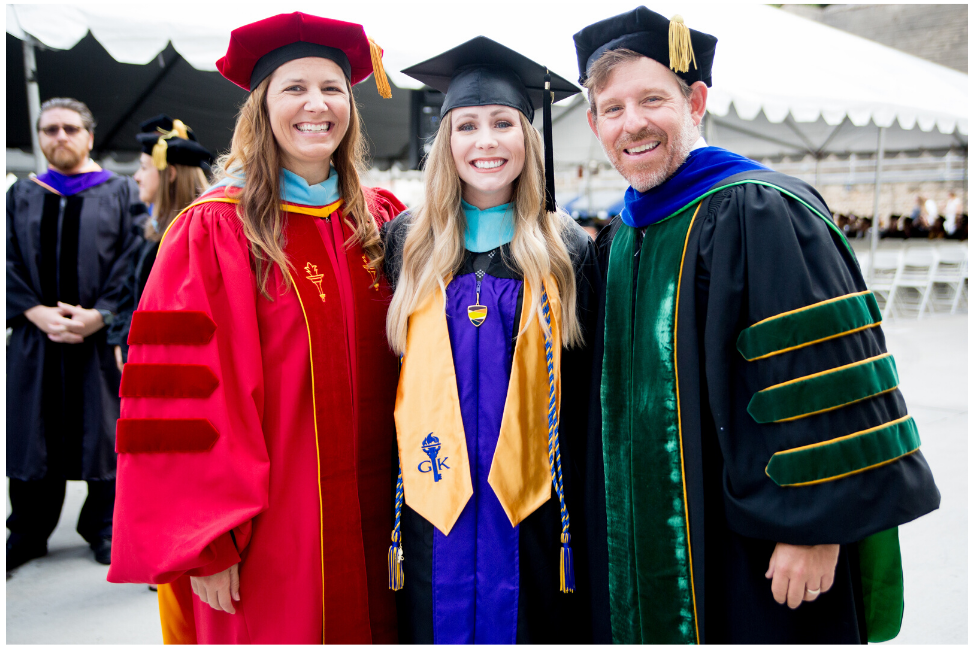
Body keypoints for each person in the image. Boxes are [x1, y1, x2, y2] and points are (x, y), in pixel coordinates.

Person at [574, 7, 941, 643]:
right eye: (612, 108)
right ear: (594, 122)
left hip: (756, 550)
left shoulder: (761, 210)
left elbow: (822, 377)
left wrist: (817, 526)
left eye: (652, 99)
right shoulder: (621, 240)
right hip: (645, 551)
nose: (632, 124)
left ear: (696, 100)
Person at [107, 13, 406, 644]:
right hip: (269, 533)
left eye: (331, 88)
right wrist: (208, 541)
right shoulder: (215, 230)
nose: (316, 104)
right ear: (261, 106)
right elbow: (178, 398)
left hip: (386, 523)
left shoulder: (381, 220)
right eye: (293, 87)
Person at [383, 37, 600, 643]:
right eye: (467, 125)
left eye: (503, 123)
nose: (485, 141)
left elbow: (584, 386)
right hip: (433, 504)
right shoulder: (408, 243)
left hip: (531, 505)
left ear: (528, 140)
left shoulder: (567, 249)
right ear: (445, 142)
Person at [7, 97, 140, 570]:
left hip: (98, 341)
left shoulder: (123, 192)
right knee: (30, 432)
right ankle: (27, 529)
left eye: (68, 128)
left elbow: (134, 259)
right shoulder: (20, 194)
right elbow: (8, 260)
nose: (58, 137)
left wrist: (103, 315)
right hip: (34, 337)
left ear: (88, 135)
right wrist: (34, 311)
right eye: (49, 130)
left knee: (104, 433)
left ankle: (104, 529)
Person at [108, 114, 213, 372]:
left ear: (171, 173)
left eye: (144, 167)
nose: (136, 176)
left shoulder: (199, 236)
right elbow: (128, 297)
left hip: (174, 370)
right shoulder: (152, 233)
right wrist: (122, 341)